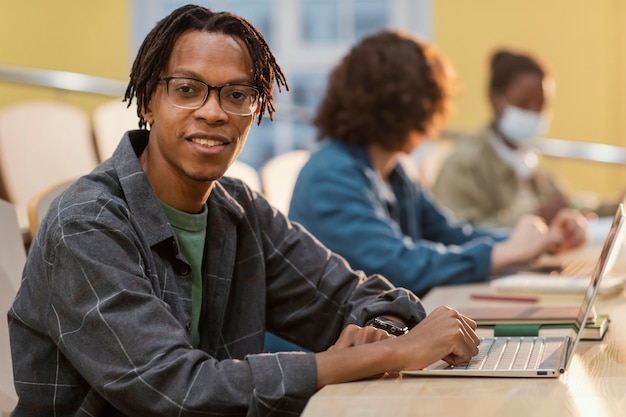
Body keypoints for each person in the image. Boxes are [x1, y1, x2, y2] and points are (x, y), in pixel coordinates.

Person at [8, 5, 482, 417]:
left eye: (237, 95)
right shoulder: (86, 224)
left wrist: (380, 334)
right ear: (149, 101)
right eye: (189, 89)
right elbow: (177, 391)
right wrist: (387, 355)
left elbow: (351, 295)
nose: (214, 112)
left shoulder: (239, 208)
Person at [288, 31, 587, 299]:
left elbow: (451, 234)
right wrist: (504, 252)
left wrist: (541, 239)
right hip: (326, 352)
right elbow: (399, 267)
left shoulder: (395, 173)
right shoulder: (330, 176)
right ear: (413, 109)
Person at [431, 49, 577, 227]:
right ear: (496, 100)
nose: (533, 112)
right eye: (524, 103)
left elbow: (567, 204)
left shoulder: (530, 160)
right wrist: (536, 217)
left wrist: (616, 204)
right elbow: (459, 233)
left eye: (541, 105)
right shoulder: (464, 165)